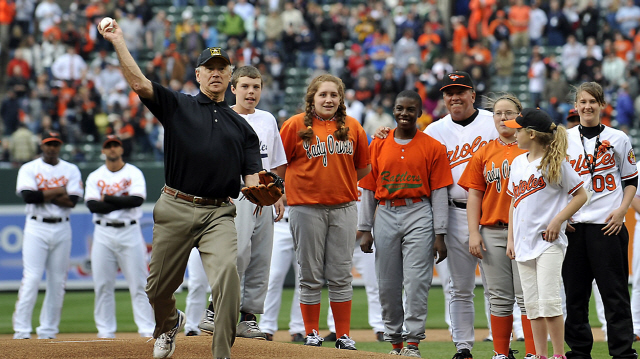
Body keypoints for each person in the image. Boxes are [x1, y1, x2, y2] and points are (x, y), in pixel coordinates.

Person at [99, 19, 263, 359]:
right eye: (209, 67)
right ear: (199, 74)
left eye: (222, 68)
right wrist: (117, 41)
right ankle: (169, 322)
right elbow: (138, 83)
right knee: (157, 289)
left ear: (229, 76)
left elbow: (252, 180)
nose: (216, 73)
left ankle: (221, 355)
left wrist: (263, 188)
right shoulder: (178, 105)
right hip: (175, 205)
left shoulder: (244, 129)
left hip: (218, 212)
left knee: (227, 280)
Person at [377, 71, 497, 358]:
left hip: (491, 212)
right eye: (448, 92)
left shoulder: (491, 123)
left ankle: (501, 347)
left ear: (472, 94)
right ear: (443, 98)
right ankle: (463, 347)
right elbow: (402, 142)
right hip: (454, 212)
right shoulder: (433, 130)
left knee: (497, 289)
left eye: (460, 90)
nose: (454, 97)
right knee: (458, 288)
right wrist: (384, 135)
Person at [279, 73, 371, 350]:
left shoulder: (354, 126)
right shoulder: (294, 125)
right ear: (312, 98)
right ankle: (311, 333)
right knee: (309, 273)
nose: (328, 99)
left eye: (334, 95)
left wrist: (338, 181)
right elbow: (279, 167)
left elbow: (364, 167)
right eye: (323, 94)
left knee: (341, 274)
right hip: (305, 208)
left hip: (343, 207)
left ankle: (342, 335)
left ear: (341, 99)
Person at [358, 90, 451, 357]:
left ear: (419, 113)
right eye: (400, 108)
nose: (405, 114)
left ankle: (412, 344)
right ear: (393, 111)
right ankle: (395, 343)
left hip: (419, 211)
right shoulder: (378, 143)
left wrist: (440, 233)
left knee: (416, 282)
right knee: (386, 283)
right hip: (385, 212)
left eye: (411, 109)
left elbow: (439, 193)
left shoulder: (432, 146)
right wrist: (365, 229)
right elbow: (368, 188)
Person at [197, 65, 287, 340]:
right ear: (233, 88)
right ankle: (215, 310)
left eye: (256, 87)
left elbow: (278, 161)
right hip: (236, 194)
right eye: (245, 86)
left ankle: (248, 318)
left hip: (265, 196)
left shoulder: (268, 119)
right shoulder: (221, 116)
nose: (251, 92)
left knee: (261, 258)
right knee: (236, 255)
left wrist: (278, 193)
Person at [563, 82, 639, 359]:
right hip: (575, 227)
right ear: (576, 105)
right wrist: (563, 216)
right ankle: (579, 352)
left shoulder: (618, 138)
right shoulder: (565, 138)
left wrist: (621, 211)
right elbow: (557, 183)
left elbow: (631, 180)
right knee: (575, 296)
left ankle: (622, 353)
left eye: (592, 101)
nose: (587, 106)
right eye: (582, 101)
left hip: (609, 226)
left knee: (615, 295)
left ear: (602, 105)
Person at [505, 108, 587, 359]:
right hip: (523, 243)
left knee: (549, 301)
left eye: (518, 130)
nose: (514, 133)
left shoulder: (556, 162)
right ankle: (540, 355)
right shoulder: (518, 162)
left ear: (531, 134)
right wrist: (511, 238)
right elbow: (514, 203)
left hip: (548, 242)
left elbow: (582, 195)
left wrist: (558, 220)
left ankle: (559, 354)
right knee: (532, 305)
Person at [458, 94, 536, 359]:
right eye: (498, 113)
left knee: (527, 296)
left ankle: (533, 353)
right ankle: (501, 353)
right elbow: (474, 196)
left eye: (509, 113)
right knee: (500, 297)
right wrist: (473, 233)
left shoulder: (532, 148)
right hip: (492, 232)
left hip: (527, 231)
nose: (503, 118)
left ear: (520, 116)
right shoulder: (483, 151)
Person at [13, 131, 83, 340]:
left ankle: (48, 330)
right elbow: (29, 197)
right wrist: (58, 190)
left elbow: (71, 201)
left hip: (62, 227)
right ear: (41, 146)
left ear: (59, 146)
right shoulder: (29, 168)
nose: (52, 147)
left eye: (55, 144)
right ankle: (22, 330)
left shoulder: (70, 169)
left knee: (57, 281)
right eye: (48, 144)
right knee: (32, 278)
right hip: (36, 227)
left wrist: (44, 192)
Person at [84, 135, 155, 339]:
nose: (112, 149)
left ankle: (146, 328)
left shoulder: (133, 172)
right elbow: (92, 205)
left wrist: (106, 198)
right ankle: (105, 332)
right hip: (103, 232)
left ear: (121, 149)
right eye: (108, 146)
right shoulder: (95, 175)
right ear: (103, 151)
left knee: (140, 283)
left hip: (129, 231)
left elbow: (136, 201)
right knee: (103, 284)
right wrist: (119, 200)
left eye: (115, 145)